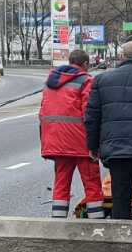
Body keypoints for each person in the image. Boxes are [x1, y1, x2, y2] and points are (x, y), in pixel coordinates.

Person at [86, 40, 132, 221]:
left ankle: (121, 241)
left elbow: (92, 116)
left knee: (120, 198)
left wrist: (92, 146)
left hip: (116, 151)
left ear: (121, 56)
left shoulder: (102, 80)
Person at [39, 49, 105, 219]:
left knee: (61, 182)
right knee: (92, 183)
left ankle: (58, 222)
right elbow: (89, 114)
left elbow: (43, 111)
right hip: (81, 142)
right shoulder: (85, 80)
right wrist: (95, 144)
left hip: (56, 141)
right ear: (85, 64)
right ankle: (96, 224)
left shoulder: (51, 81)